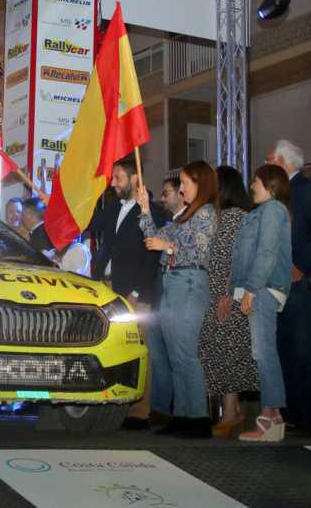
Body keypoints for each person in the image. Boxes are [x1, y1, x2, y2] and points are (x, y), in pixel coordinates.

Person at [139, 161, 218, 437]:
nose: (181, 188)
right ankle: (183, 414)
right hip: (173, 284)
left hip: (189, 282)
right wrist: (145, 210)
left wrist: (169, 248)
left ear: (200, 183)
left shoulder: (206, 213)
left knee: (185, 352)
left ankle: (197, 416)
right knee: (175, 354)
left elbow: (198, 250)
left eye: (185, 183)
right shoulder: (183, 216)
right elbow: (153, 238)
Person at [267, 139, 311, 436]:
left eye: (270, 160)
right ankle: (292, 414)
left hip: (305, 285)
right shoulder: (279, 196)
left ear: (284, 162)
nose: (265, 165)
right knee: (286, 350)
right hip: (281, 286)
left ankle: (310, 418)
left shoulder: (307, 190)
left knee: (306, 350)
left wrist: (302, 265)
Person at [90, 157, 158, 429]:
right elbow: (89, 225)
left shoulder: (151, 209)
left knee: (138, 349)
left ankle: (142, 410)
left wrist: (135, 291)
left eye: (118, 178)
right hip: (106, 289)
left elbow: (150, 257)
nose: (113, 184)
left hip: (134, 294)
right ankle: (112, 403)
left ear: (134, 178)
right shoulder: (112, 207)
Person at [229, 164, 293, 442]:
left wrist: (252, 290)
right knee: (260, 352)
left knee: (264, 351)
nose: (251, 186)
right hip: (256, 289)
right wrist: (237, 291)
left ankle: (271, 418)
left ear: (271, 184)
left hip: (264, 289)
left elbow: (266, 252)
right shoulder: (258, 214)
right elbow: (243, 257)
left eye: (255, 181)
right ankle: (272, 416)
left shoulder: (273, 211)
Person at [201, 165, 258, 437]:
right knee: (220, 352)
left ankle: (232, 412)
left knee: (229, 353)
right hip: (216, 295)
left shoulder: (237, 218)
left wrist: (227, 292)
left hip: (229, 297)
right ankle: (230, 411)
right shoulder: (219, 216)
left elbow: (238, 259)